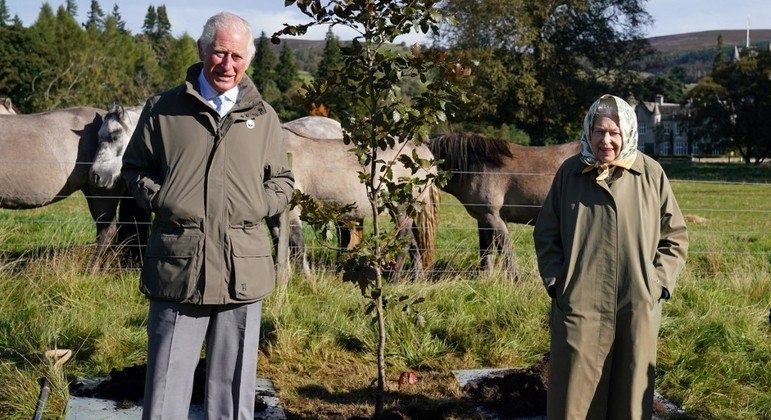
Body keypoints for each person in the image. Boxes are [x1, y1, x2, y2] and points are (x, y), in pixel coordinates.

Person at [121, 12, 294, 419]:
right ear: (202, 51)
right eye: (219, 52)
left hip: (243, 268)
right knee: (165, 388)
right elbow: (134, 169)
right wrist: (163, 199)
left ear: (247, 61)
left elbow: (283, 181)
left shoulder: (265, 117)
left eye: (237, 56)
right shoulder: (163, 109)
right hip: (179, 266)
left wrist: (258, 205)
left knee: (233, 394)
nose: (227, 64)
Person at [533, 94, 688, 419]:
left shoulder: (650, 174)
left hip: (636, 304)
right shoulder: (570, 173)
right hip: (579, 304)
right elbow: (546, 232)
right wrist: (558, 282)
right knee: (573, 398)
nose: (606, 140)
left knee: (630, 397)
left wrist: (656, 284)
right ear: (589, 131)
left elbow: (674, 236)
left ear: (627, 132)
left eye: (614, 133)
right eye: (600, 131)